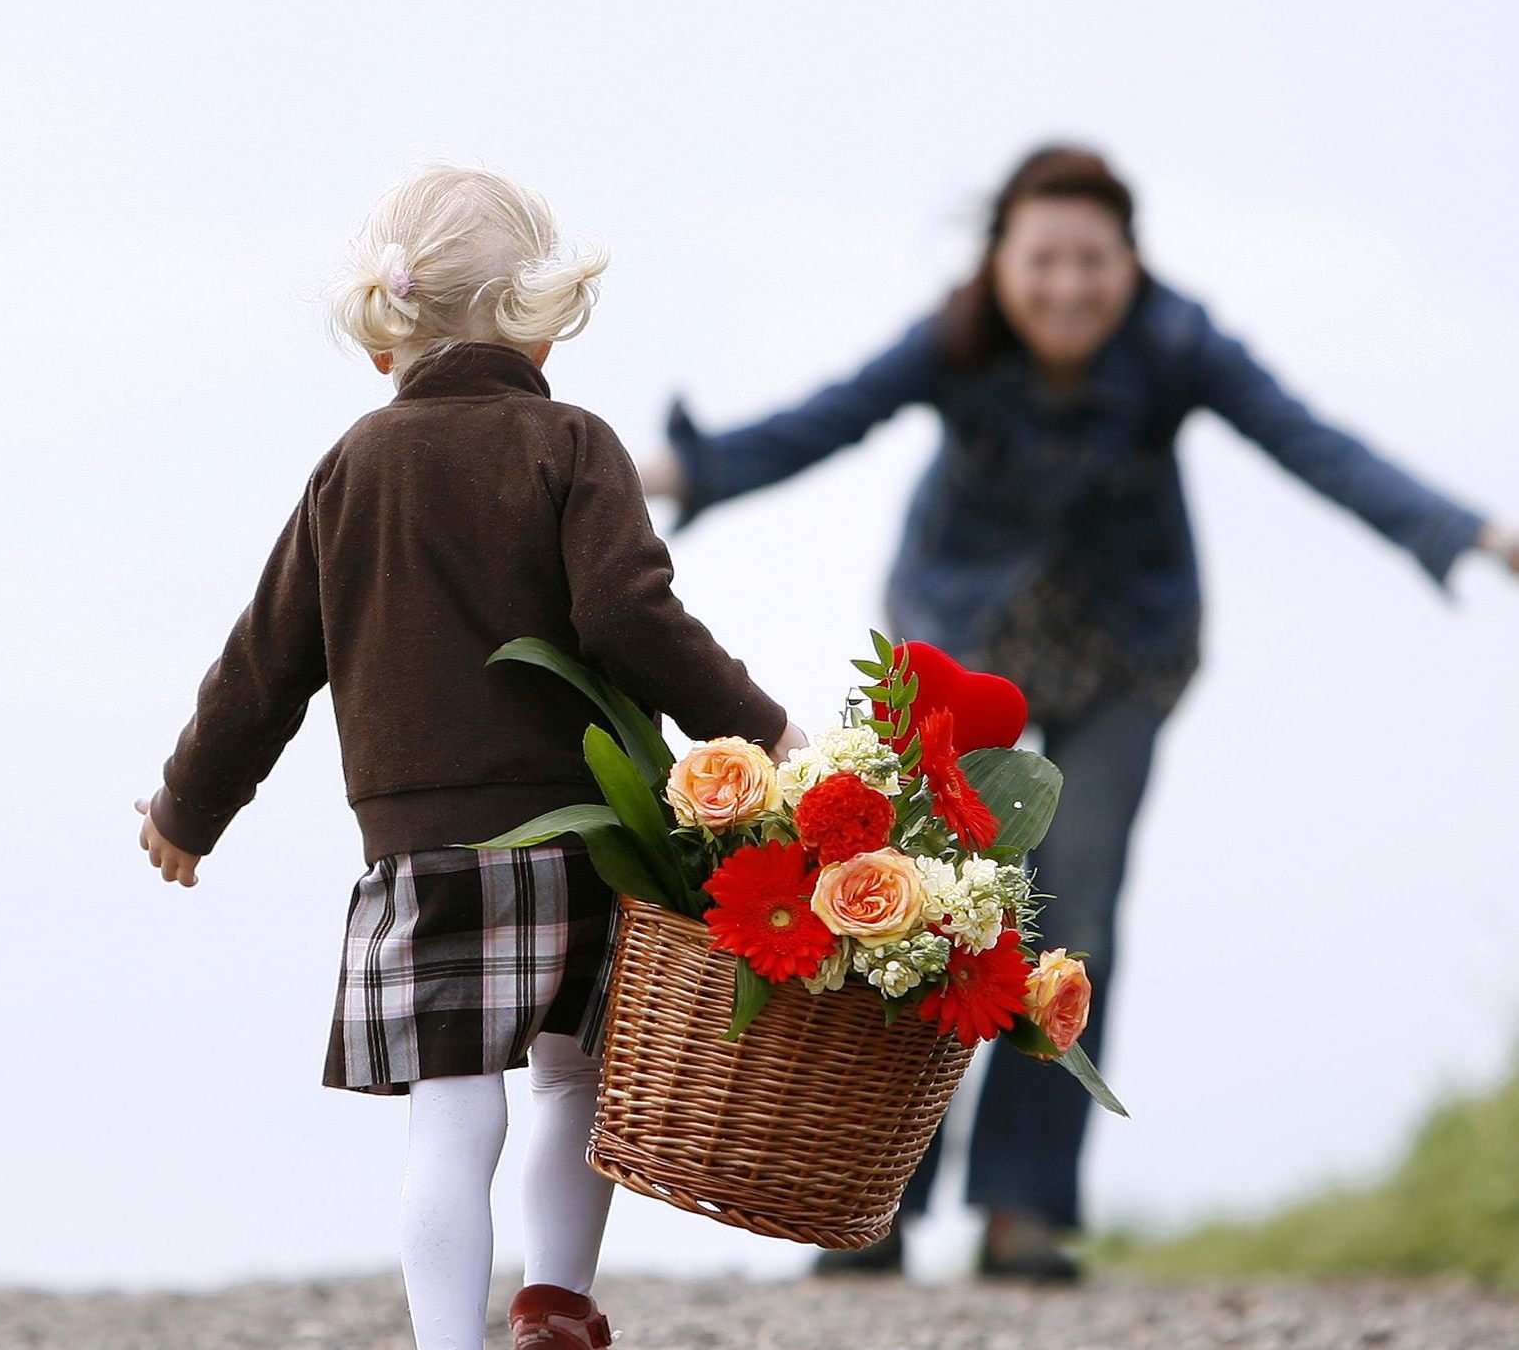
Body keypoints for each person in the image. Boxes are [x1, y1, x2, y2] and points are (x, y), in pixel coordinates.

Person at [637, 144, 1519, 1282]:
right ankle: (874, 1201)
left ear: (1129, 262)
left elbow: (1312, 444)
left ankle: (1022, 1206)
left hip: (1122, 652)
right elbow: (824, 419)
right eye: (1040, 260)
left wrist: (1469, 531)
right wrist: (679, 472)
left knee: (1078, 898)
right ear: (1000, 259)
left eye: (1090, 262)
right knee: (912, 895)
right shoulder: (955, 338)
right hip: (961, 643)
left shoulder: (1174, 344)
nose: (1065, 287)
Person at [135, 166, 803, 1350]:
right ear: (544, 327)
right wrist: (757, 727)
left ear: (386, 337)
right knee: (573, 1082)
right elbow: (628, 618)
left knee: (450, 1114)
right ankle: (557, 1312)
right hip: (575, 828)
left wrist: (186, 805)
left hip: (418, 850)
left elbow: (265, 662)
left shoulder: (350, 466)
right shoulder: (575, 446)